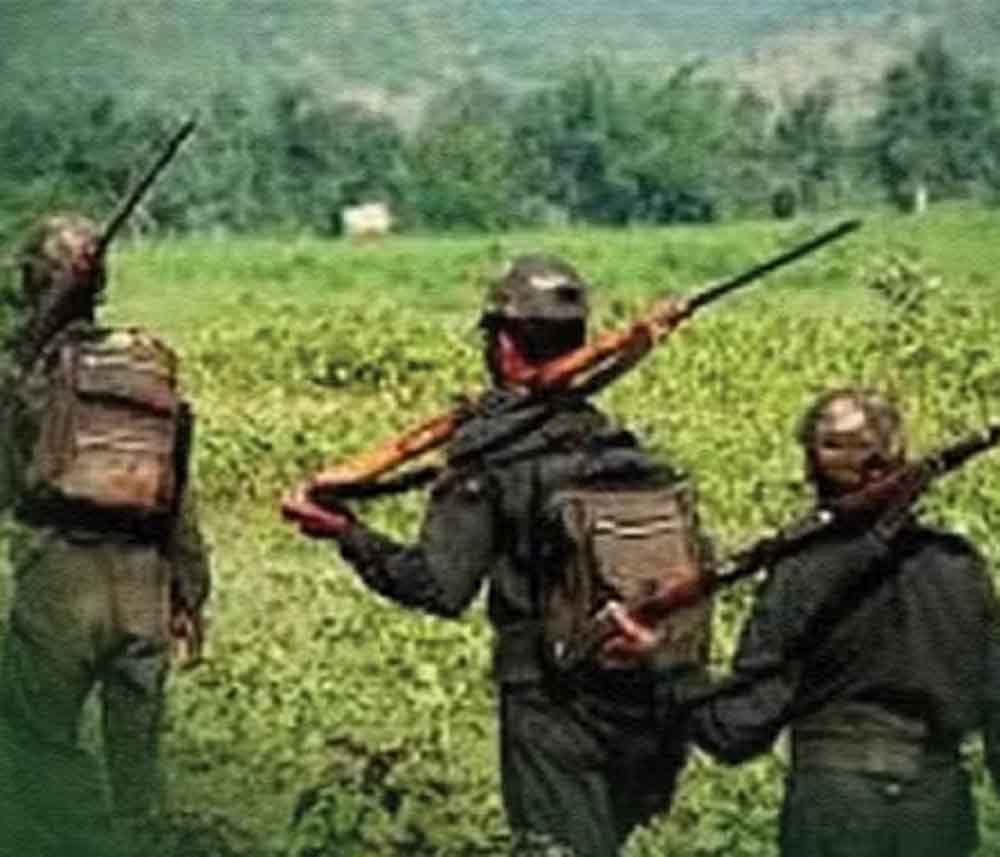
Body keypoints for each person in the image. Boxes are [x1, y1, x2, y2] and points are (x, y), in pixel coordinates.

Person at [287, 254, 712, 857]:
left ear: (507, 343)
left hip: (552, 703)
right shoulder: (621, 447)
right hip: (649, 698)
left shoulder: (494, 456)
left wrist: (345, 532)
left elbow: (437, 586)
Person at [610, 388, 1000, 857]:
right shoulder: (959, 563)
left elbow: (734, 730)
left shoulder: (803, 570)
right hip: (941, 812)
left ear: (812, 470)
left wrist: (661, 659)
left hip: (836, 810)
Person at [0, 214, 211, 855]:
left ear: (30, 283)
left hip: (60, 582)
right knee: (138, 769)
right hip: (146, 586)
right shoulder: (146, 366)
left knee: (34, 743)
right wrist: (191, 594)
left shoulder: (26, 373)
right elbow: (179, 496)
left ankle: (81, 839)